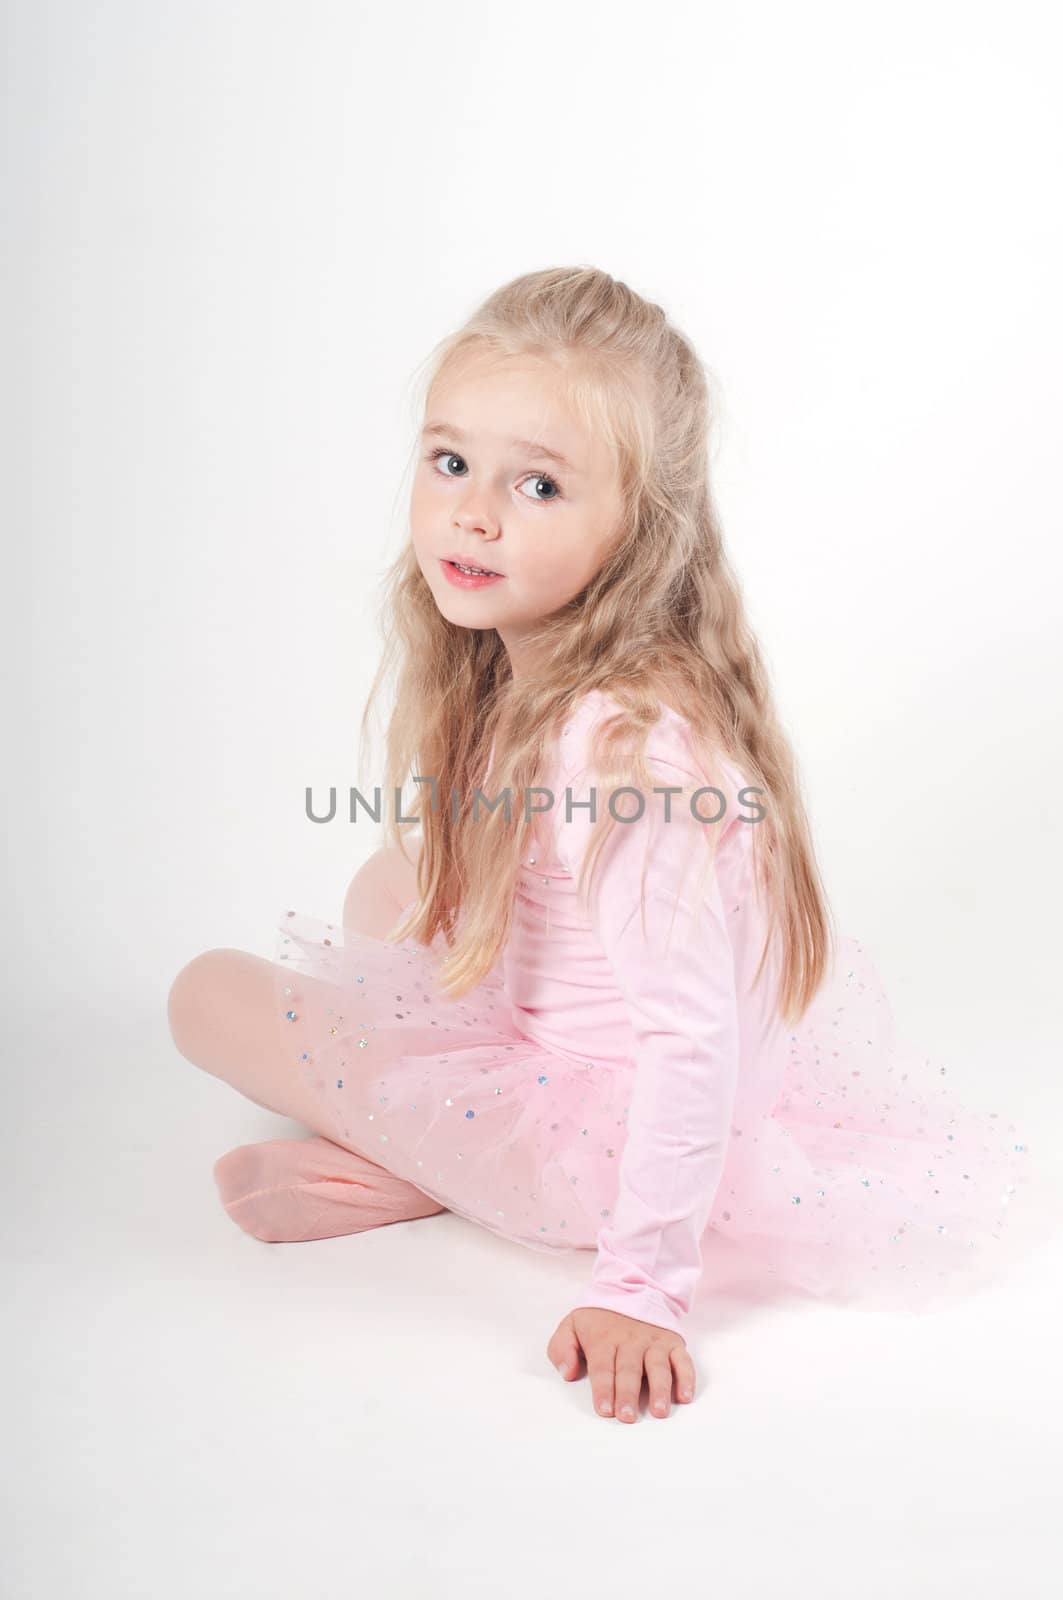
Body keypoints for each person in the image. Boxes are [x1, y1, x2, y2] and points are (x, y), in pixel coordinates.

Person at [168, 265, 1042, 1425]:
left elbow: (688, 1037)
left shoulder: (623, 752)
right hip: (610, 1067)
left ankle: (428, 1170)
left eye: (536, 484)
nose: (473, 513)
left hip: (602, 1141)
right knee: (393, 882)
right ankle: (435, 1149)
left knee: (203, 993)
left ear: (636, 527)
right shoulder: (556, 670)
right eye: (450, 463)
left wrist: (642, 1288)